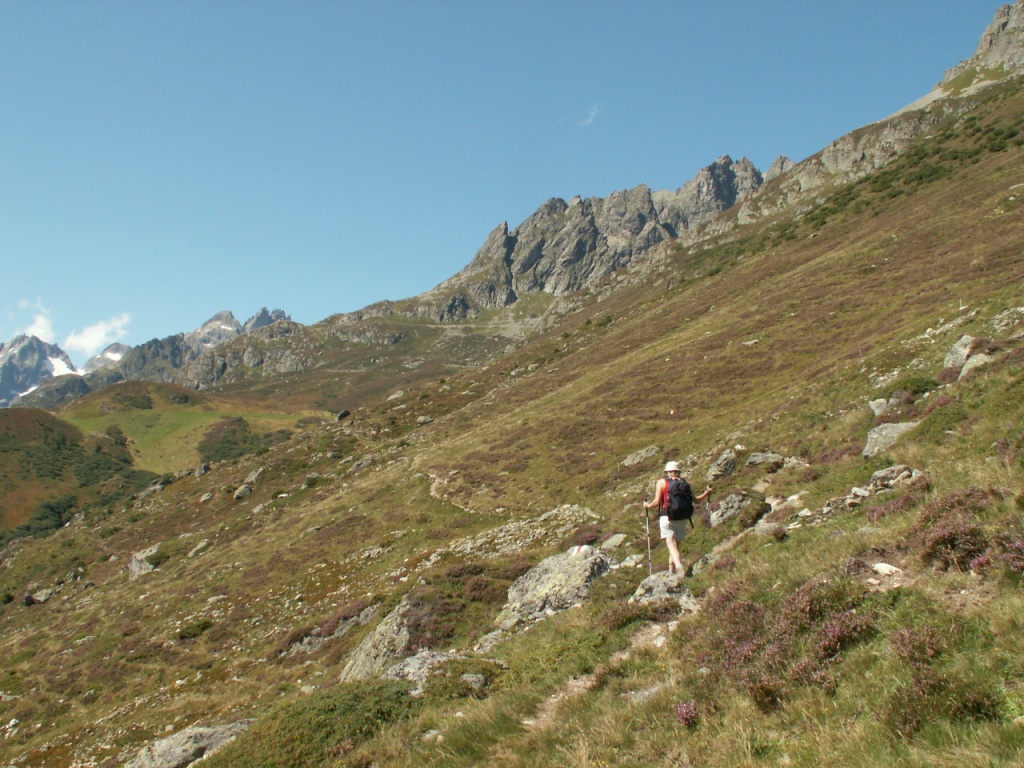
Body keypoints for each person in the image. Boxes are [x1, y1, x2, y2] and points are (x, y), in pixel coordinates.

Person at [644, 461, 712, 574]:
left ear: (667, 472)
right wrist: (707, 492)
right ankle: (672, 570)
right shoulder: (685, 484)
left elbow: (656, 502)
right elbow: (697, 500)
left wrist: (647, 506)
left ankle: (678, 565)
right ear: (678, 472)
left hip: (667, 517)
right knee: (676, 546)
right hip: (682, 518)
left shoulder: (662, 482)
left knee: (670, 544)